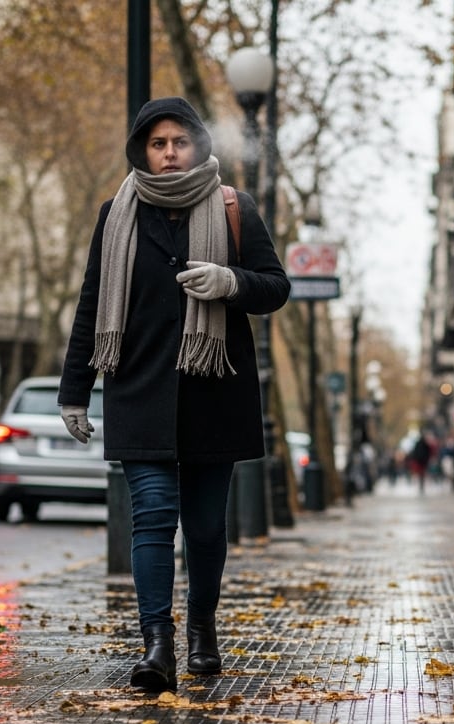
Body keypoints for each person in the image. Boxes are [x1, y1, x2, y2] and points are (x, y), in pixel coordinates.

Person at [57, 97, 289, 693]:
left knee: (207, 528)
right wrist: (74, 393)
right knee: (154, 520)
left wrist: (231, 281)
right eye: (157, 144)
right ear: (142, 150)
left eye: (178, 143)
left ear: (199, 146)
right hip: (140, 392)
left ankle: (202, 633)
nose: (168, 154)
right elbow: (92, 306)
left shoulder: (235, 208)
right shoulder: (116, 214)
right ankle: (157, 645)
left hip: (216, 392)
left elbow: (276, 287)